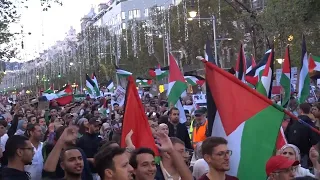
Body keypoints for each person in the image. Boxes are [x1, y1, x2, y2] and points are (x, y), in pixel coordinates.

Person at [285, 103, 319, 168]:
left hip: (292, 152)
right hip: (305, 153)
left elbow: (286, 135)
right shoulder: (311, 124)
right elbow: (314, 140)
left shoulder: (293, 122)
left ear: (300, 110)